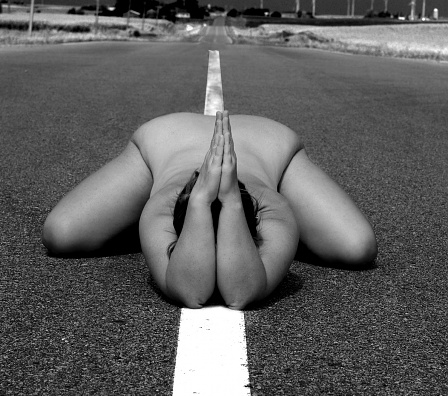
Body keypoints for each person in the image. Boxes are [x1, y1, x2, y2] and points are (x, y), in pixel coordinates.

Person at [42, 111, 377, 309]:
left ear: (256, 225)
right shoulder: (165, 204)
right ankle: (132, 223)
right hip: (166, 139)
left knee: (357, 247)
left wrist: (230, 199)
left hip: (269, 143)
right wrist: (200, 200)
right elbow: (191, 290)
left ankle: (132, 229)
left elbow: (241, 293)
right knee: (62, 233)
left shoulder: (270, 206)